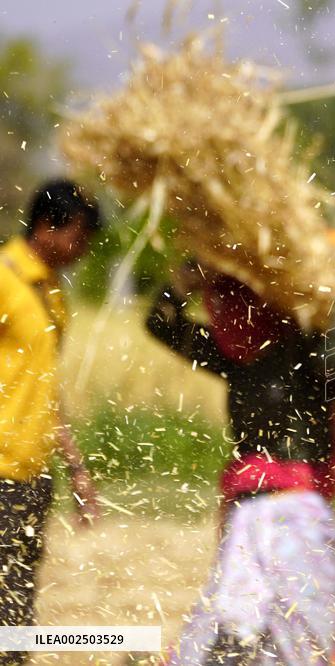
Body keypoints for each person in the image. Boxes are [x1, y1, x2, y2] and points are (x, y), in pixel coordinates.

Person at [147, 262, 335, 665]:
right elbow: (161, 324)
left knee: (292, 625)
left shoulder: (305, 350)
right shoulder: (235, 359)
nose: (225, 314)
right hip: (245, 509)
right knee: (238, 623)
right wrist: (181, 283)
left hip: (294, 509)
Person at [0, 180, 102, 663]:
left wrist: (76, 467)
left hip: (32, 477)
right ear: (47, 226)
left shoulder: (52, 293)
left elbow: (44, 387)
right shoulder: (4, 277)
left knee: (16, 603)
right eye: (80, 237)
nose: (83, 250)